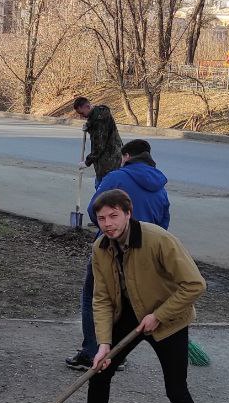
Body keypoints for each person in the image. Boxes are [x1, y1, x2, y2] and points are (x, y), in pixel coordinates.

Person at [60, 189, 207, 403]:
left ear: (128, 213)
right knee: (100, 370)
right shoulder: (101, 248)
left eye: (114, 216)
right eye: (101, 219)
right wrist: (103, 343)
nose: (108, 223)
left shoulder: (158, 240)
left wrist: (159, 315)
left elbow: (194, 285)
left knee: (176, 388)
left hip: (168, 319)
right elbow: (101, 298)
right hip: (127, 316)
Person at [66, 139, 170, 370]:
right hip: (144, 255)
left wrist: (108, 229)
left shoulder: (116, 178)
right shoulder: (160, 187)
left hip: (110, 251)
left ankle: (92, 352)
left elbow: (97, 210)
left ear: (127, 157)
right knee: (124, 302)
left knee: (96, 298)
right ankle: (116, 354)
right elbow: (164, 224)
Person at [73, 96, 123, 186]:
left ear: (87, 106)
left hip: (109, 158)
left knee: (103, 187)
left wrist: (87, 162)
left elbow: (99, 145)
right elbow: (94, 127)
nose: (82, 116)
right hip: (109, 156)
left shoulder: (100, 119)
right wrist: (88, 127)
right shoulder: (96, 114)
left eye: (82, 113)